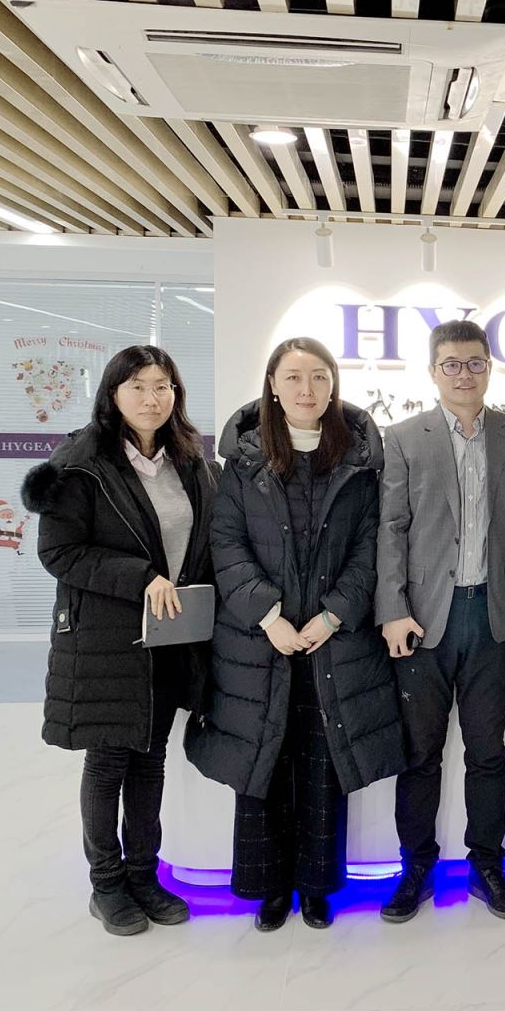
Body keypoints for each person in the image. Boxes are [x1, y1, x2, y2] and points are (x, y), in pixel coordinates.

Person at [186, 338, 405, 933]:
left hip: (333, 642)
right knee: (262, 761)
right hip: (260, 642)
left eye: (318, 377)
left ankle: (314, 888)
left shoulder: (360, 460)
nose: (306, 389)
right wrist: (268, 616)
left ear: (333, 385)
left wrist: (333, 616)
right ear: (273, 385)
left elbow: (370, 547)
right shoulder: (244, 460)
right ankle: (268, 889)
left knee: (321, 765)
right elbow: (226, 543)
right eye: (293, 377)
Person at [22, 345, 218, 936]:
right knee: (109, 761)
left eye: (163, 386)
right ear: (112, 394)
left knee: (151, 759)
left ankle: (143, 876)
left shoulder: (190, 458)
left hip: (171, 632)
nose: (152, 399)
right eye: (137, 386)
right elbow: (59, 552)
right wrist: (140, 578)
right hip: (107, 636)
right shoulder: (81, 463)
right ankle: (106, 885)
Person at [376, 320, 505, 923]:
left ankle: (486, 865)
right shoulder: (403, 437)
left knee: (488, 752)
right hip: (422, 620)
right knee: (420, 753)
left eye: (474, 363)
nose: (463, 374)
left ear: (489, 368)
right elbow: (390, 529)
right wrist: (392, 609)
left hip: (490, 615)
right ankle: (415, 866)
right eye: (451, 364)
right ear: (433, 371)